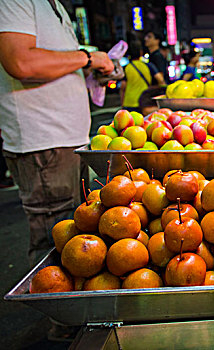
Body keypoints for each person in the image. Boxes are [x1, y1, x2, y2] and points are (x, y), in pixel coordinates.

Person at [0, 0, 114, 267]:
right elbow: (20, 62)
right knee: (55, 247)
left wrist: (85, 70)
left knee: (76, 238)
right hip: (43, 140)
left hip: (68, 141)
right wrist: (87, 58)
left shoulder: (55, 6)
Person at [121, 40, 165, 111]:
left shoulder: (126, 68)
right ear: (141, 52)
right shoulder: (148, 66)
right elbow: (161, 80)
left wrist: (122, 104)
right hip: (144, 103)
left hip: (128, 103)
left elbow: (123, 87)